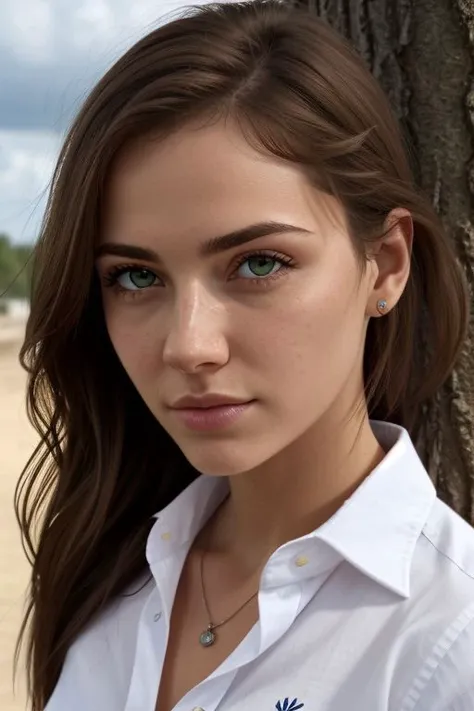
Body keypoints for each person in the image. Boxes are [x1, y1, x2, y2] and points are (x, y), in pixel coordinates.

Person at [15, 1, 474, 710]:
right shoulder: (111, 573)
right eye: (136, 276)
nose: (189, 345)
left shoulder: (451, 638)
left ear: (384, 265)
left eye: (258, 263)